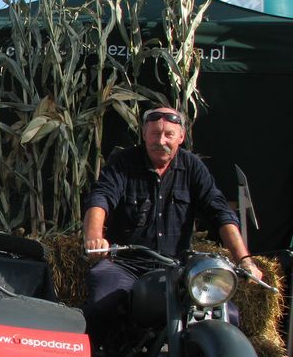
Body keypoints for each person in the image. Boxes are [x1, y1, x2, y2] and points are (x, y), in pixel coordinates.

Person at [82, 106, 262, 335]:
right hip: (126, 265)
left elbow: (219, 211)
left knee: (229, 317)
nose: (161, 140)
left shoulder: (192, 167)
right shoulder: (123, 162)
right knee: (102, 304)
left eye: (169, 134)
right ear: (144, 134)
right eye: (155, 133)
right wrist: (95, 238)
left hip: (177, 268)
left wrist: (244, 260)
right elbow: (100, 198)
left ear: (181, 137)